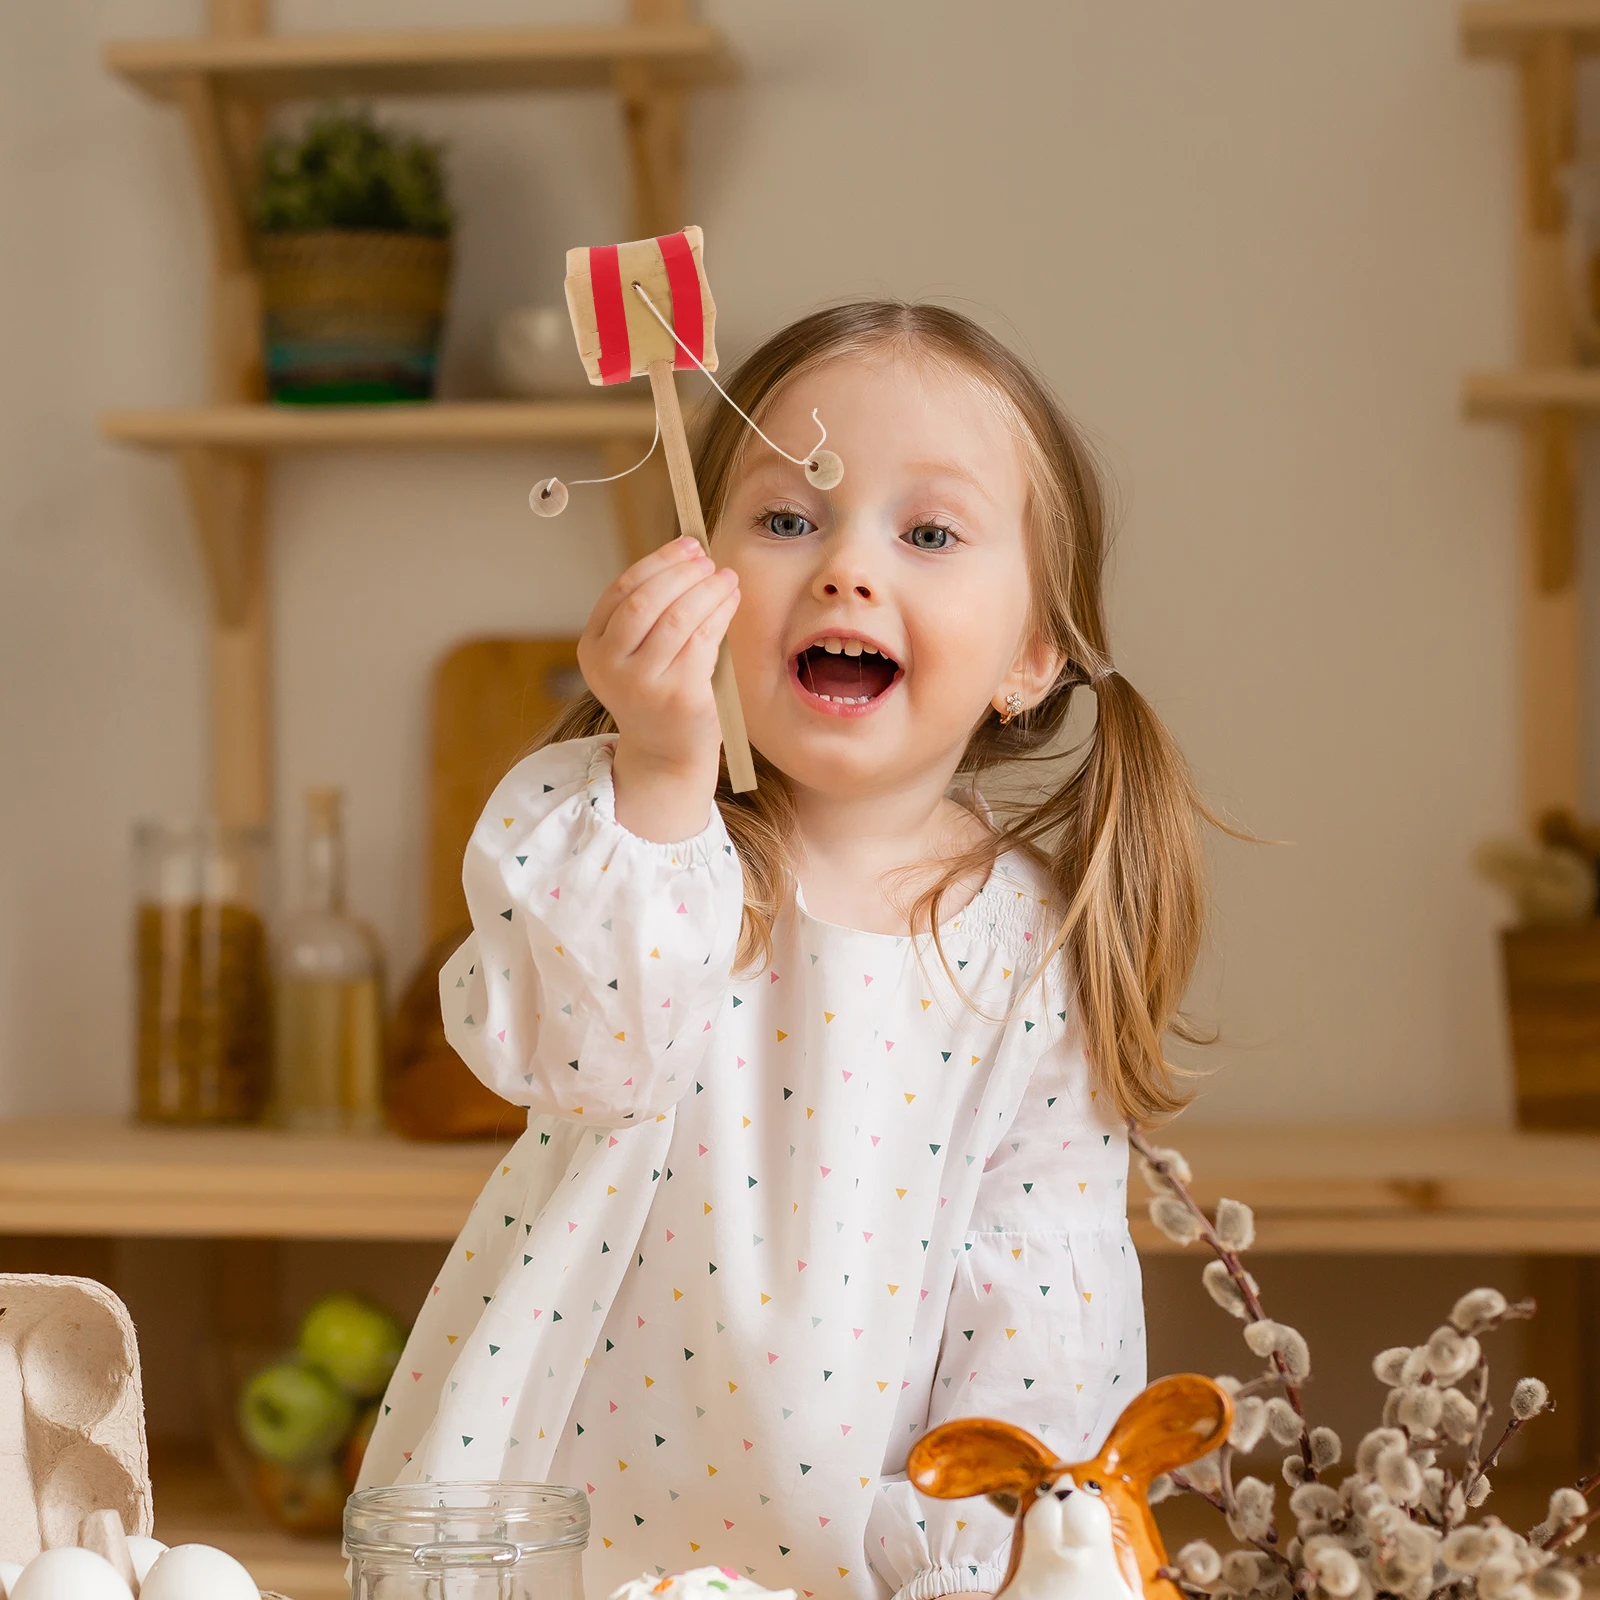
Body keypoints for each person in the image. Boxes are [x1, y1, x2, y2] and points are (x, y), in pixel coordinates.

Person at [358, 302, 1209, 1600]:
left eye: (927, 533)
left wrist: (978, 1556)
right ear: (699, 572)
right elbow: (569, 1055)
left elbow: (1045, 1299)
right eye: (788, 518)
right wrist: (655, 772)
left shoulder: (1032, 947)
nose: (846, 569)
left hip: (862, 1553)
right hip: (578, 1528)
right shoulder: (649, 847)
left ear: (1031, 656)